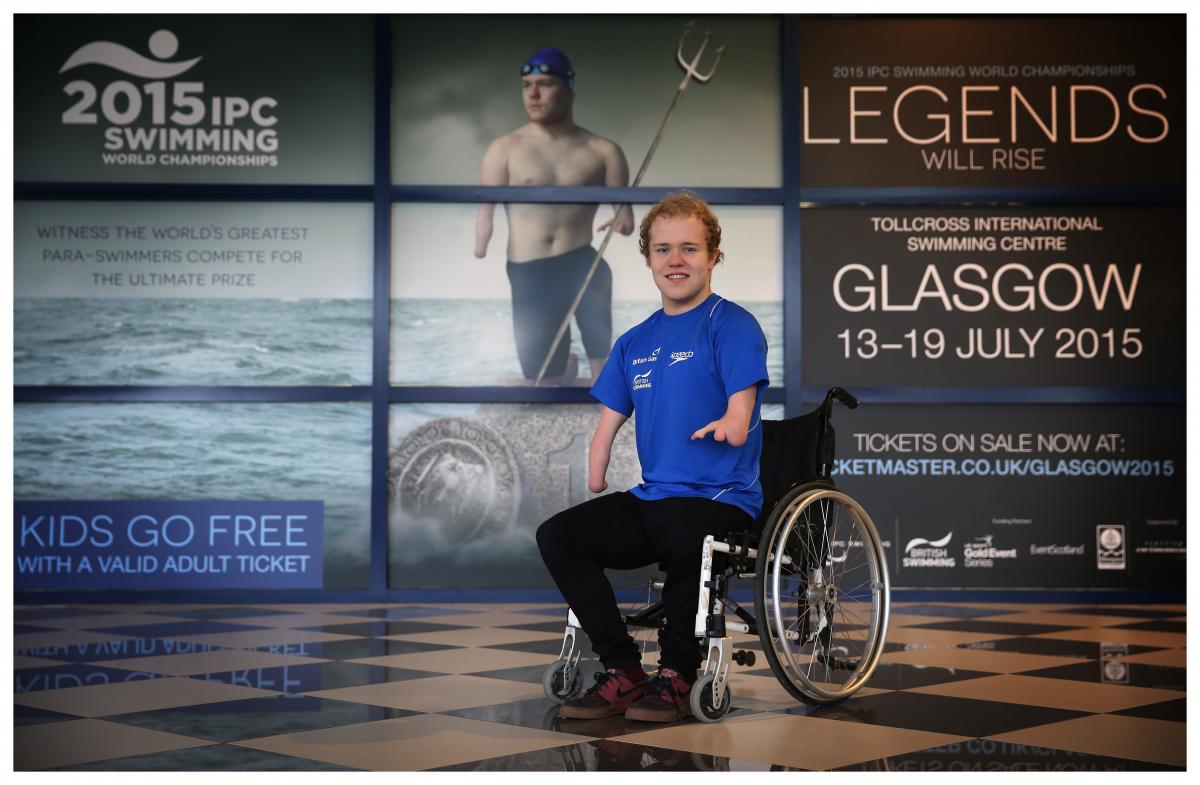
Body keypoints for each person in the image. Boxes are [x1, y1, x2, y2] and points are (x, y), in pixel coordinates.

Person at [536, 192, 769, 722]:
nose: (676, 260)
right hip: (654, 499)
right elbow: (608, 423)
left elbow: (743, 404)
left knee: (689, 533)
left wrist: (734, 423)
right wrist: (596, 464)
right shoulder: (634, 341)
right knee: (558, 535)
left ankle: (678, 673)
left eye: (690, 248)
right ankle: (623, 670)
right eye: (663, 249)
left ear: (713, 256)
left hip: (721, 498)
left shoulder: (731, 324)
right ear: (648, 258)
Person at [475, 46, 634, 385]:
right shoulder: (505, 149)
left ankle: (600, 389)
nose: (532, 93)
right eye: (526, 85)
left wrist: (619, 219)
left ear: (567, 88)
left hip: (582, 261)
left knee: (602, 363)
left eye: (544, 83)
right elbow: (484, 209)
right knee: (541, 375)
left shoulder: (603, 151)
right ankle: (566, 365)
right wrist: (481, 242)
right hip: (529, 269)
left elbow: (626, 220)